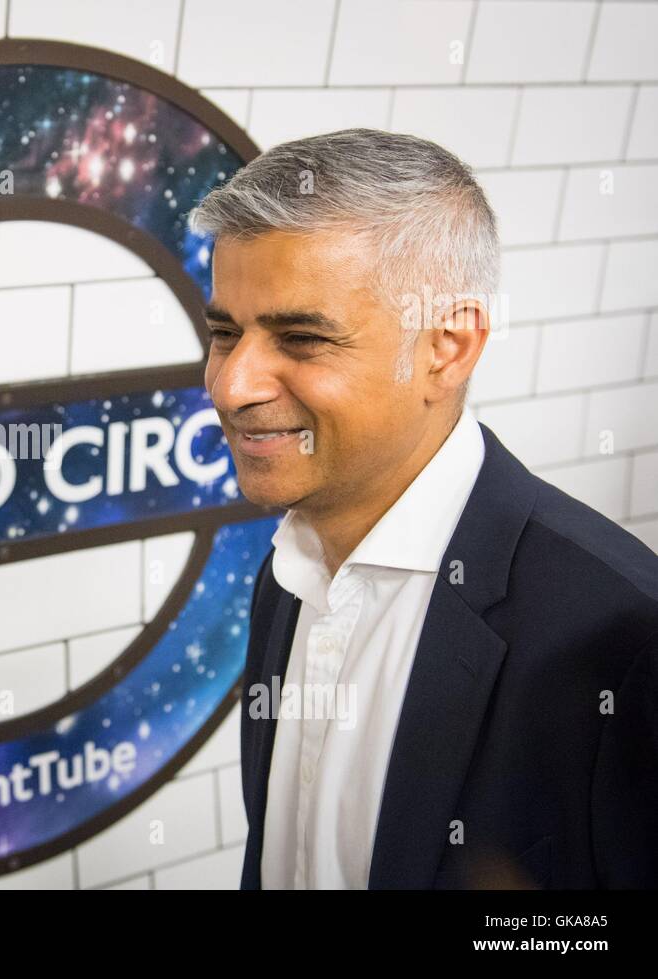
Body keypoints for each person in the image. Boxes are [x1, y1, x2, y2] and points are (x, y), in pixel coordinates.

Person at [188, 128, 658, 889]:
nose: (231, 384)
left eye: (302, 337)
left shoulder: (624, 635)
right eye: (224, 333)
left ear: (448, 345)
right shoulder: (286, 576)